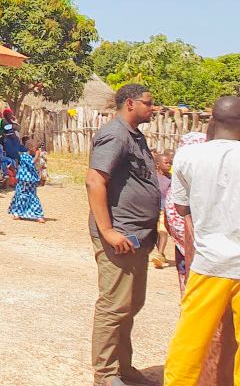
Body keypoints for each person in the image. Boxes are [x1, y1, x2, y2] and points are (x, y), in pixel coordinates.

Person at [86, 83, 160, 386]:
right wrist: (108, 231)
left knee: (130, 304)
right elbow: (94, 181)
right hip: (121, 235)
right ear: (130, 103)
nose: (153, 108)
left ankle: (123, 369)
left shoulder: (134, 135)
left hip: (137, 235)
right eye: (148, 103)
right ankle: (105, 375)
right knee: (114, 306)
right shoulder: (115, 134)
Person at [164, 97, 240, 386]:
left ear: (212, 121)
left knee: (190, 340)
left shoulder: (187, 156)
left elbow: (182, 208)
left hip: (209, 263)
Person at [8, 138, 45, 223]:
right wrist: (37, 156)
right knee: (21, 195)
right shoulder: (24, 155)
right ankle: (17, 213)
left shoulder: (33, 156)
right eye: (36, 148)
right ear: (30, 148)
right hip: (23, 179)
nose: (38, 150)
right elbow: (31, 163)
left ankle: (38, 215)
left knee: (33, 196)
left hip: (31, 180)